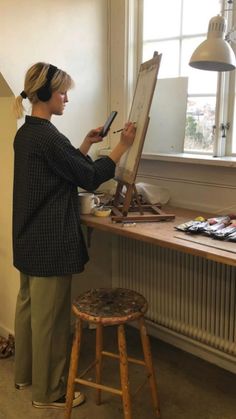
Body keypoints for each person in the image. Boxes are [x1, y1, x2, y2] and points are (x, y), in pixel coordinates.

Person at [12, 62, 136, 409]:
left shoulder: (27, 132)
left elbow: (61, 171)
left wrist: (83, 144)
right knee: (50, 321)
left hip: (28, 238)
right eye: (63, 91)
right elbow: (90, 176)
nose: (66, 98)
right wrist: (122, 145)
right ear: (47, 93)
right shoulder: (48, 136)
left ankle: (25, 377)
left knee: (29, 310)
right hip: (48, 240)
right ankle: (49, 393)